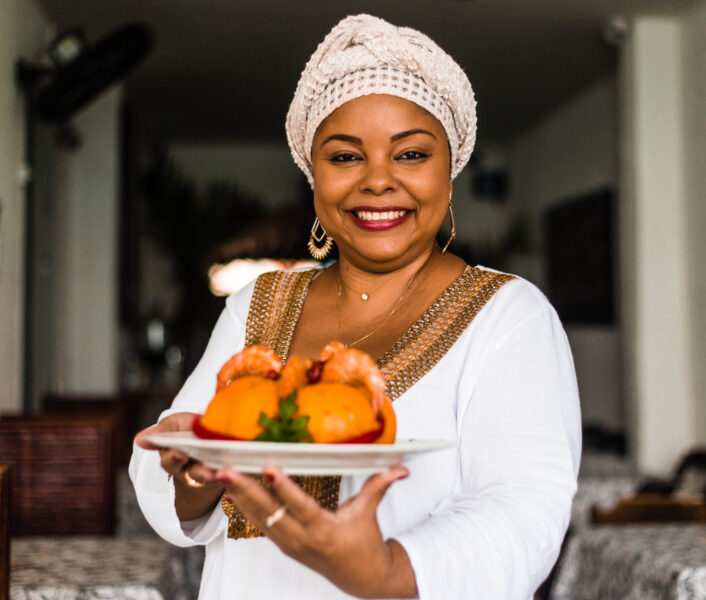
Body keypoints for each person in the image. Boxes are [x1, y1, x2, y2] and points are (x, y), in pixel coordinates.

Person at [131, 13, 580, 600]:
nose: (377, 181)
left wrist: (384, 571)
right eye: (345, 157)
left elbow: (524, 511)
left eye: (411, 154)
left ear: (449, 173)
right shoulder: (255, 306)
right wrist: (193, 470)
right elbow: (170, 489)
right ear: (313, 177)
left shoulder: (507, 316)